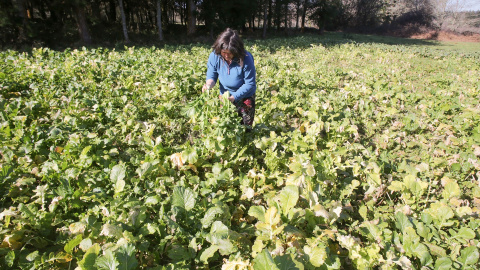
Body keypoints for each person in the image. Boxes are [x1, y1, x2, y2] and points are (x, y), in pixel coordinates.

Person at [203, 28, 257, 129]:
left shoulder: (246, 58)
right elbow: (212, 75)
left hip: (245, 96)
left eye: (230, 53)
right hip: (225, 96)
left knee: (245, 126)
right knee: (225, 124)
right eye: (224, 52)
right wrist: (208, 85)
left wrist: (234, 97)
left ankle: (245, 143)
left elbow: (250, 84)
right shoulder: (215, 56)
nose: (226, 55)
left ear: (237, 50)